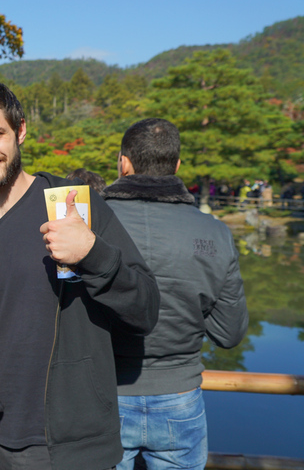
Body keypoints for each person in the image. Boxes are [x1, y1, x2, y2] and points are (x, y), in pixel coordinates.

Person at [0, 79, 159, 470]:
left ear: (20, 130)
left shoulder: (71, 206)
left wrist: (92, 253)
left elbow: (144, 309)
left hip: (71, 447)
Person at [102, 118, 248, 470]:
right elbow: (229, 334)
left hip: (105, 397)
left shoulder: (89, 227)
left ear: (124, 163)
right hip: (180, 396)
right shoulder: (214, 232)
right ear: (177, 165)